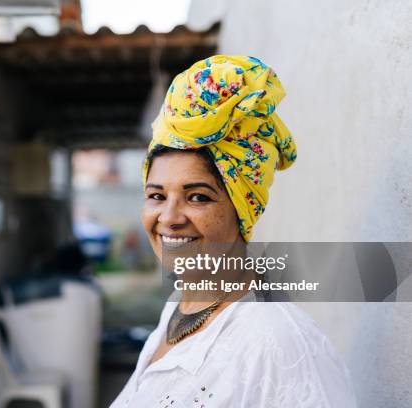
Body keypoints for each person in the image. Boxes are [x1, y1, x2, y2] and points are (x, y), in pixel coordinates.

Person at [110, 56, 356, 407]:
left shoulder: (280, 346)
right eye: (156, 195)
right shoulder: (180, 308)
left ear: (242, 209)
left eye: (197, 196)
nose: (170, 216)